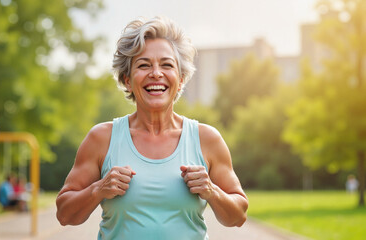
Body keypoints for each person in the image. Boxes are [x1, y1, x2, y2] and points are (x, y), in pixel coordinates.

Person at [56, 16, 248, 240]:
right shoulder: (102, 138)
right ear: (127, 80)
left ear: (181, 78)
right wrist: (99, 189)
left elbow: (238, 216)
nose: (156, 73)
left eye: (166, 65)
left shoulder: (206, 139)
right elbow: (65, 214)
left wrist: (211, 191)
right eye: (144, 65)